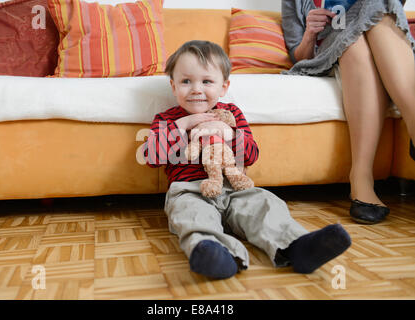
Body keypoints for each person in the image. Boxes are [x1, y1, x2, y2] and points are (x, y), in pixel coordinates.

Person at [141, 40, 351, 279]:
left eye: (207, 81)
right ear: (173, 86)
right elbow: (152, 157)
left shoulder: (231, 115)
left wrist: (228, 134)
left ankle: (296, 245)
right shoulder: (167, 119)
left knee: (264, 204)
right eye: (186, 81)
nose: (196, 89)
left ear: (223, 87)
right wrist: (183, 125)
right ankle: (213, 253)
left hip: (234, 187)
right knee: (192, 216)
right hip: (190, 190)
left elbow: (251, 155)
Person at [281, 0, 415, 224]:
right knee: (352, 42)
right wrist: (310, 34)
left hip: (385, 39)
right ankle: (361, 177)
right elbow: (299, 56)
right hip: (339, 48)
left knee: (376, 5)